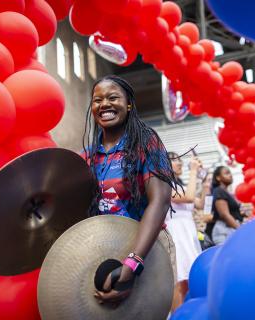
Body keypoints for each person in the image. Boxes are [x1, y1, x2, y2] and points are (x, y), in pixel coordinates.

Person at [81, 75, 180, 307]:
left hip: (147, 247)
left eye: (113, 97)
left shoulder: (146, 143)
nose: (104, 104)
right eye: (97, 100)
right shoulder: (86, 156)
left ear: (128, 105)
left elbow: (160, 201)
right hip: (106, 250)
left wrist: (133, 262)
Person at [165, 152, 203, 310]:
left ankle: (189, 310)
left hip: (188, 231)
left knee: (189, 277)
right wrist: (193, 171)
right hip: (176, 232)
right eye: (175, 160)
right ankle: (177, 314)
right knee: (179, 278)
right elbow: (188, 197)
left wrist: (203, 181)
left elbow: (199, 203)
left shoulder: (179, 184)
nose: (180, 163)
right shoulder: (164, 184)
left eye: (180, 160)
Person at [210, 166, 244, 245]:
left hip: (229, 229)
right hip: (224, 230)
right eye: (226, 173)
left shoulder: (225, 192)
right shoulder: (219, 191)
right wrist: (240, 230)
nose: (230, 175)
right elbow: (224, 214)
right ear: (218, 178)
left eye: (230, 173)